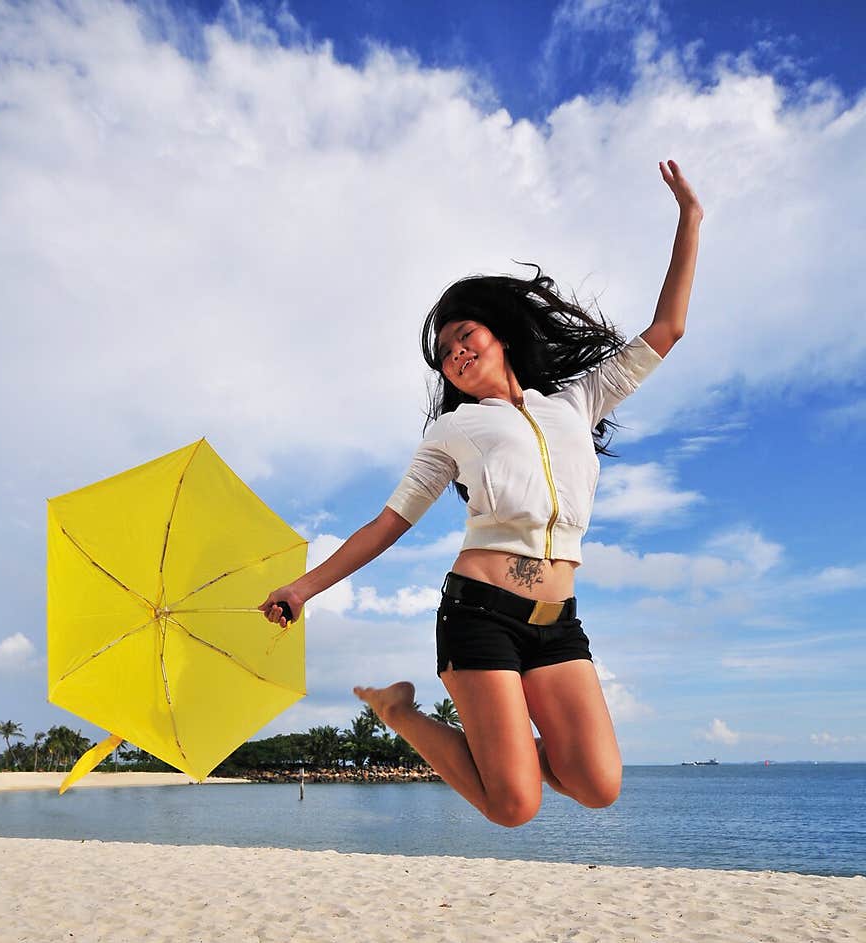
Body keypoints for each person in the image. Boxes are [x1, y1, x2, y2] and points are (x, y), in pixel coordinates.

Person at [260, 159, 703, 827]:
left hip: (556, 622)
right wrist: (302, 587)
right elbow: (387, 523)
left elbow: (666, 330)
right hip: (479, 615)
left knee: (598, 783)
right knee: (514, 804)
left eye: (464, 334)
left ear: (497, 334)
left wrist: (689, 221)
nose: (455, 351)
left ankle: (502, 750)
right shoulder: (452, 430)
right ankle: (398, 710)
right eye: (444, 351)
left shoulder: (578, 399)